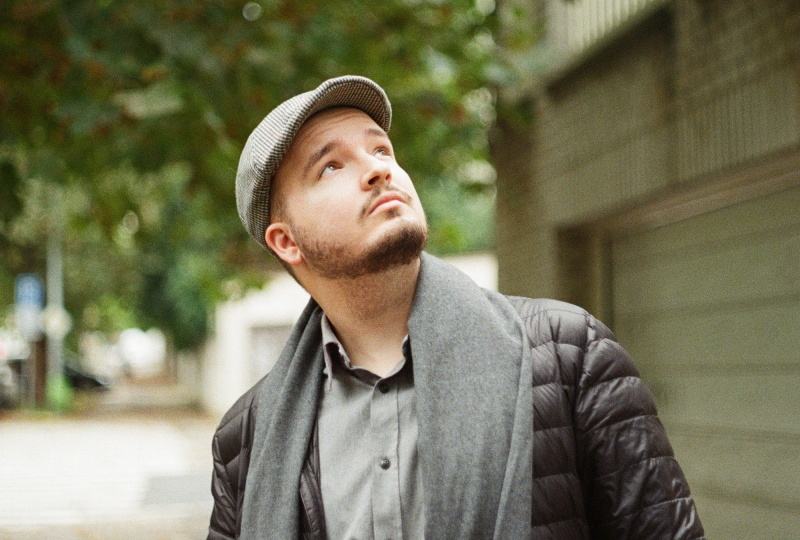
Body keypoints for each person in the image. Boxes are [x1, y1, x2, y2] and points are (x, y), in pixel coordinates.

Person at [207, 75, 705, 540]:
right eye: (331, 166)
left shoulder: (570, 355)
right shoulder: (246, 438)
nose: (379, 169)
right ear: (287, 242)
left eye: (381, 149)